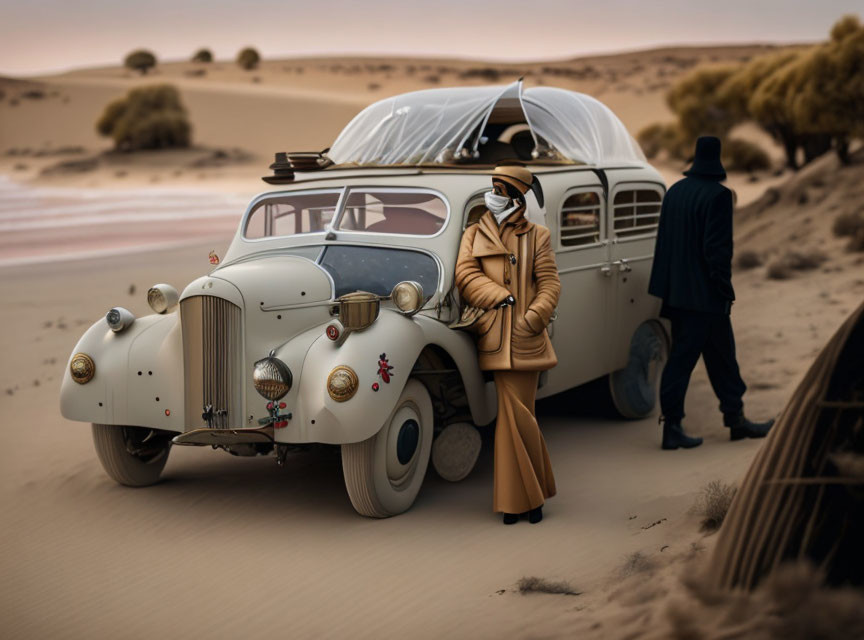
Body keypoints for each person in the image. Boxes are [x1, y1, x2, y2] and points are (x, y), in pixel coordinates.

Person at [648, 136, 775, 450]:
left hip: (677, 294)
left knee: (721, 358)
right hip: (705, 297)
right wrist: (724, 290)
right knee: (684, 361)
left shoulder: (675, 192)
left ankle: (735, 420)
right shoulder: (718, 196)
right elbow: (717, 252)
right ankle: (674, 428)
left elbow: (664, 243)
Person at [454, 165, 560, 524]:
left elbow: (550, 284)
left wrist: (533, 317)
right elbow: (465, 275)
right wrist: (498, 296)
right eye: (493, 187)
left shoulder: (538, 236)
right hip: (494, 335)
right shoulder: (474, 233)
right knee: (512, 417)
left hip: (527, 337)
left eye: (500, 189)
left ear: (517, 195)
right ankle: (528, 499)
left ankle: (524, 499)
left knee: (520, 416)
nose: (493, 194)